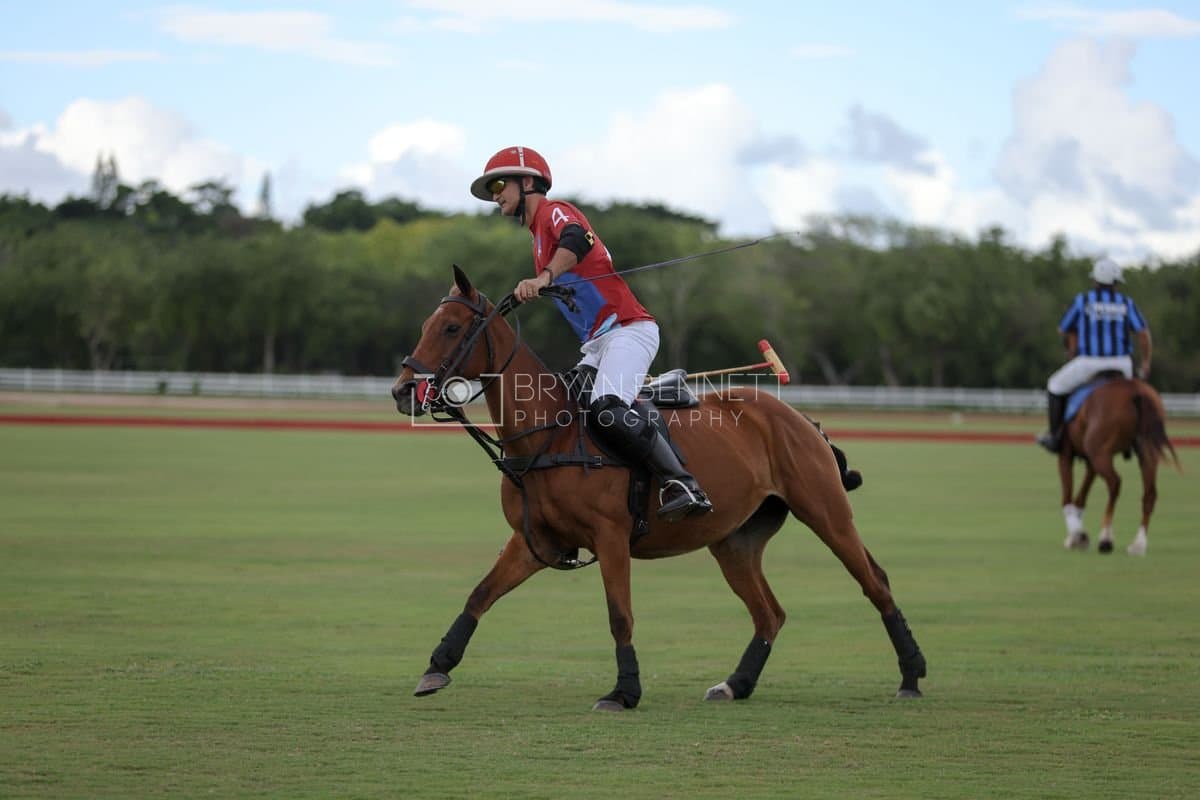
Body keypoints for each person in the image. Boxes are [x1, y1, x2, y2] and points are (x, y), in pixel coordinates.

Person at [470, 146, 712, 521]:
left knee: (608, 410)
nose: (495, 194)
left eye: (499, 184)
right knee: (565, 405)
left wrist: (544, 277)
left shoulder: (554, 212)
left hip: (630, 330)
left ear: (528, 182)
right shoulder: (535, 235)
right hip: (598, 345)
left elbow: (577, 239)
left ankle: (681, 483)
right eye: (491, 189)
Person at [1037, 256, 1152, 453]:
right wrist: (1145, 363)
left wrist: (1071, 347)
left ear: (1095, 281)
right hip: (1122, 364)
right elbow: (1143, 334)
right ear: (1116, 283)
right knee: (1138, 396)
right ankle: (1139, 438)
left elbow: (1063, 329)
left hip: (1089, 363)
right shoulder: (1126, 303)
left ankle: (1055, 436)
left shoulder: (1083, 301)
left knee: (1054, 386)